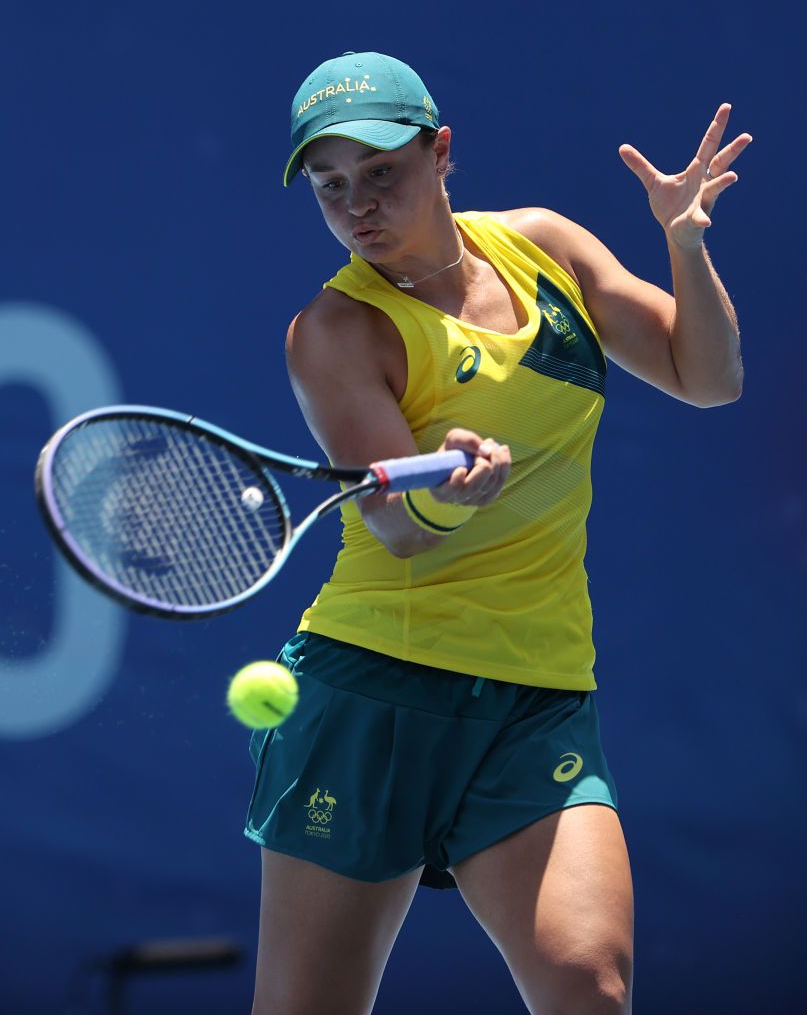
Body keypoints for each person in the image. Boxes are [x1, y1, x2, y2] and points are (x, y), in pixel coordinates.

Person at [244, 50, 750, 1015]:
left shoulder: (545, 247)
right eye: (330, 185)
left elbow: (708, 378)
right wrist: (449, 497)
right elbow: (395, 526)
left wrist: (684, 243)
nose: (357, 205)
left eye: (380, 171)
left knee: (588, 984)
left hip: (538, 694)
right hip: (374, 689)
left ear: (441, 153)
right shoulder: (337, 331)